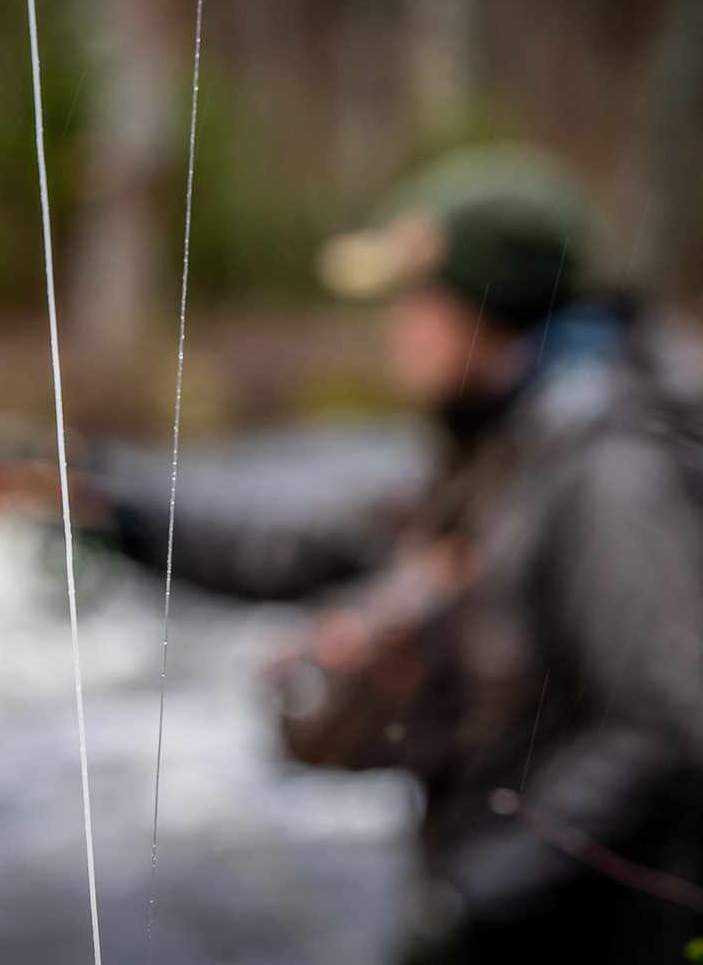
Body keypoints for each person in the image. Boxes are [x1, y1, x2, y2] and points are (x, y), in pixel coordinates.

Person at [266, 144, 703, 963]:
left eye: (416, 298)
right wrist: (112, 506)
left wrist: (472, 904)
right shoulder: (509, 444)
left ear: (487, 307)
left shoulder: (610, 470)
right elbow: (297, 545)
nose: (396, 325)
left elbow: (669, 723)